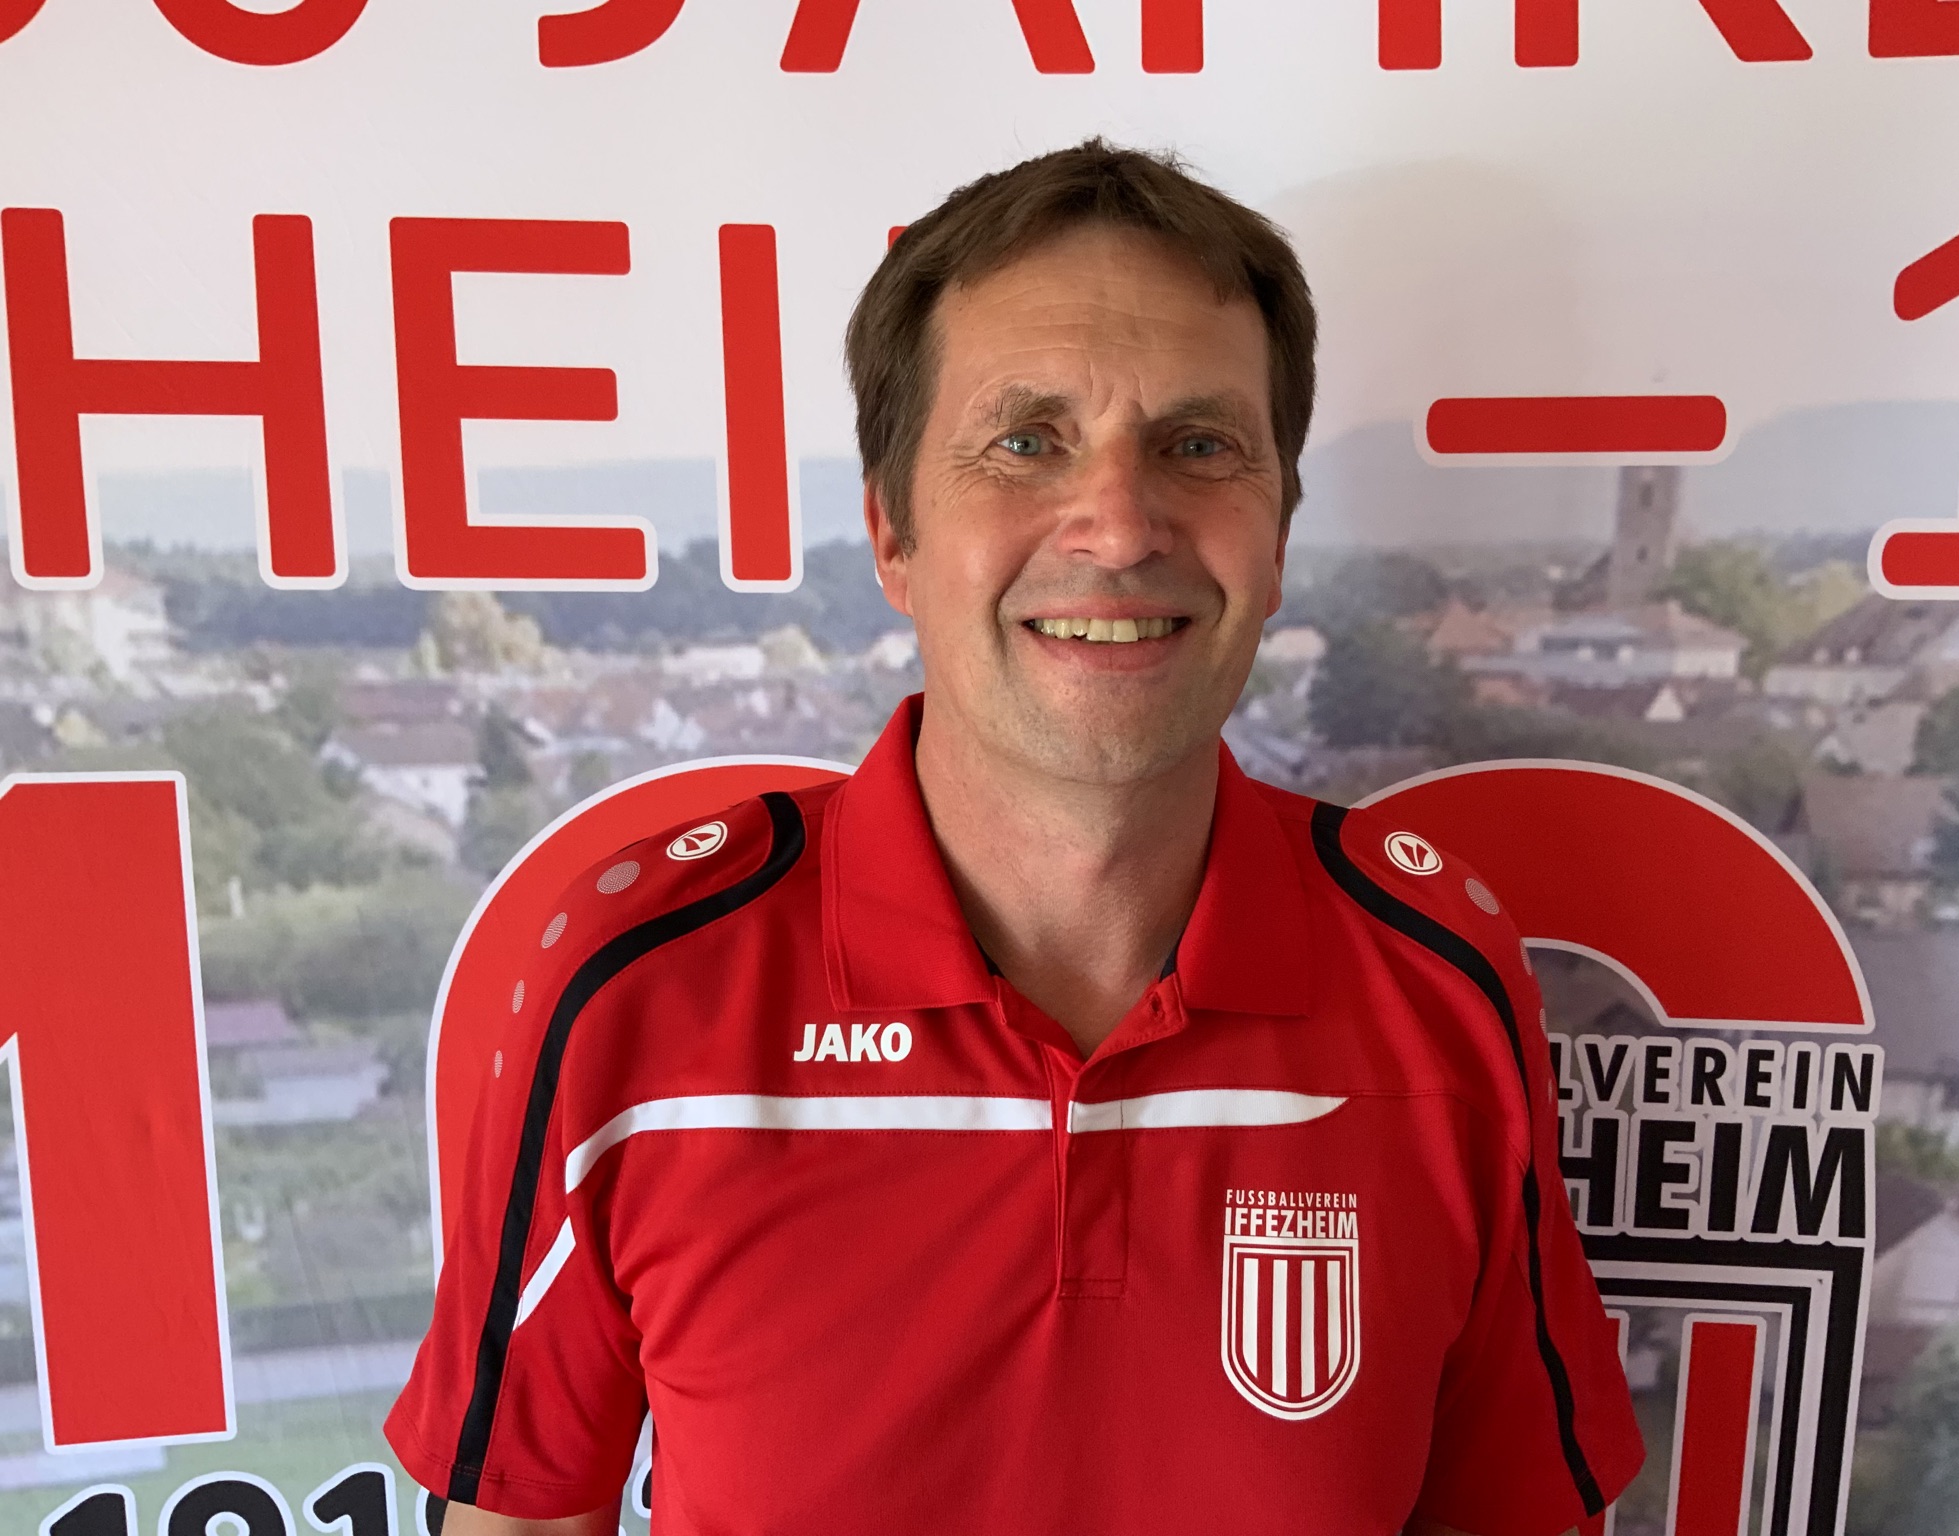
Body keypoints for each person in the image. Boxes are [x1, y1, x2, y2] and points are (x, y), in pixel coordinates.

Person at [388, 140, 1644, 1536]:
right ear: (893, 534)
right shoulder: (639, 992)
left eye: (1199, 446)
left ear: (1279, 533)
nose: (1119, 526)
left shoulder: (1441, 986)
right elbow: (519, 1517)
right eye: (1026, 442)